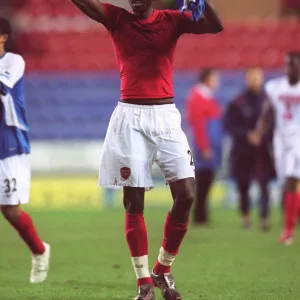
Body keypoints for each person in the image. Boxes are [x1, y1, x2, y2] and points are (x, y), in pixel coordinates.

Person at [71, 0, 223, 299]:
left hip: (165, 116)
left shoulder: (172, 20)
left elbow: (215, 25)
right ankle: (143, 282)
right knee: (133, 201)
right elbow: (87, 5)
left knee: (187, 195)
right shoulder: (118, 19)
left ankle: (162, 269)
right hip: (130, 117)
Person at [0, 18, 50, 282]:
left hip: (7, 142)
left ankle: (39, 251)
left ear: (3, 37)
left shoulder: (13, 62)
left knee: (10, 210)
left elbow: (2, 87)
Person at [254, 52, 300, 245]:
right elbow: (267, 110)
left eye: (293, 65)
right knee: (285, 183)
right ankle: (289, 223)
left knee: (291, 179)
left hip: (298, 138)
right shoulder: (275, 87)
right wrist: (259, 130)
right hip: (280, 139)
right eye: (287, 64)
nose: (289, 68)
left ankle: (288, 230)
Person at [224, 68, 275, 230]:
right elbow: (229, 125)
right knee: (243, 184)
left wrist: (263, 135)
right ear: (246, 79)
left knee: (264, 184)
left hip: (263, 151)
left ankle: (264, 217)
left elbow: (274, 123)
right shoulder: (237, 102)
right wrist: (247, 135)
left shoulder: (269, 101)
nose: (255, 80)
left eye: (258, 77)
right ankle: (245, 216)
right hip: (242, 151)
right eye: (252, 77)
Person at [185, 69, 222, 225]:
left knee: (206, 181)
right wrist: (204, 146)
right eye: (215, 78)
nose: (217, 82)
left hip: (210, 146)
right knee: (203, 181)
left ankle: (202, 214)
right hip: (205, 149)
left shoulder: (206, 97)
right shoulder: (198, 98)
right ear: (207, 79)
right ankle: (199, 215)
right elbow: (199, 125)